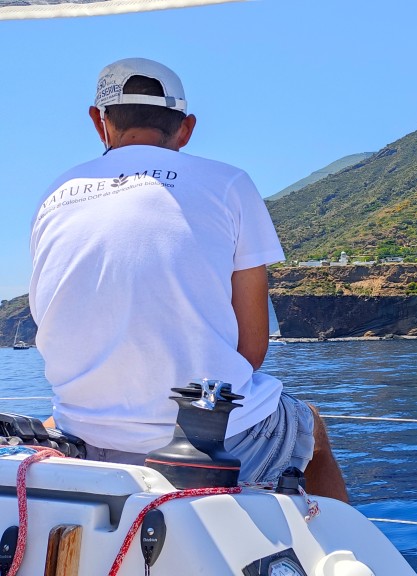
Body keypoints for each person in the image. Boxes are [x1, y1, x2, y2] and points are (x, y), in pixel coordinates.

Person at [29, 57, 348, 501]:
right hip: (208, 438)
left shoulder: (55, 194)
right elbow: (252, 349)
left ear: (99, 122)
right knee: (310, 428)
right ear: (187, 127)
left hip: (83, 435)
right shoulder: (229, 183)